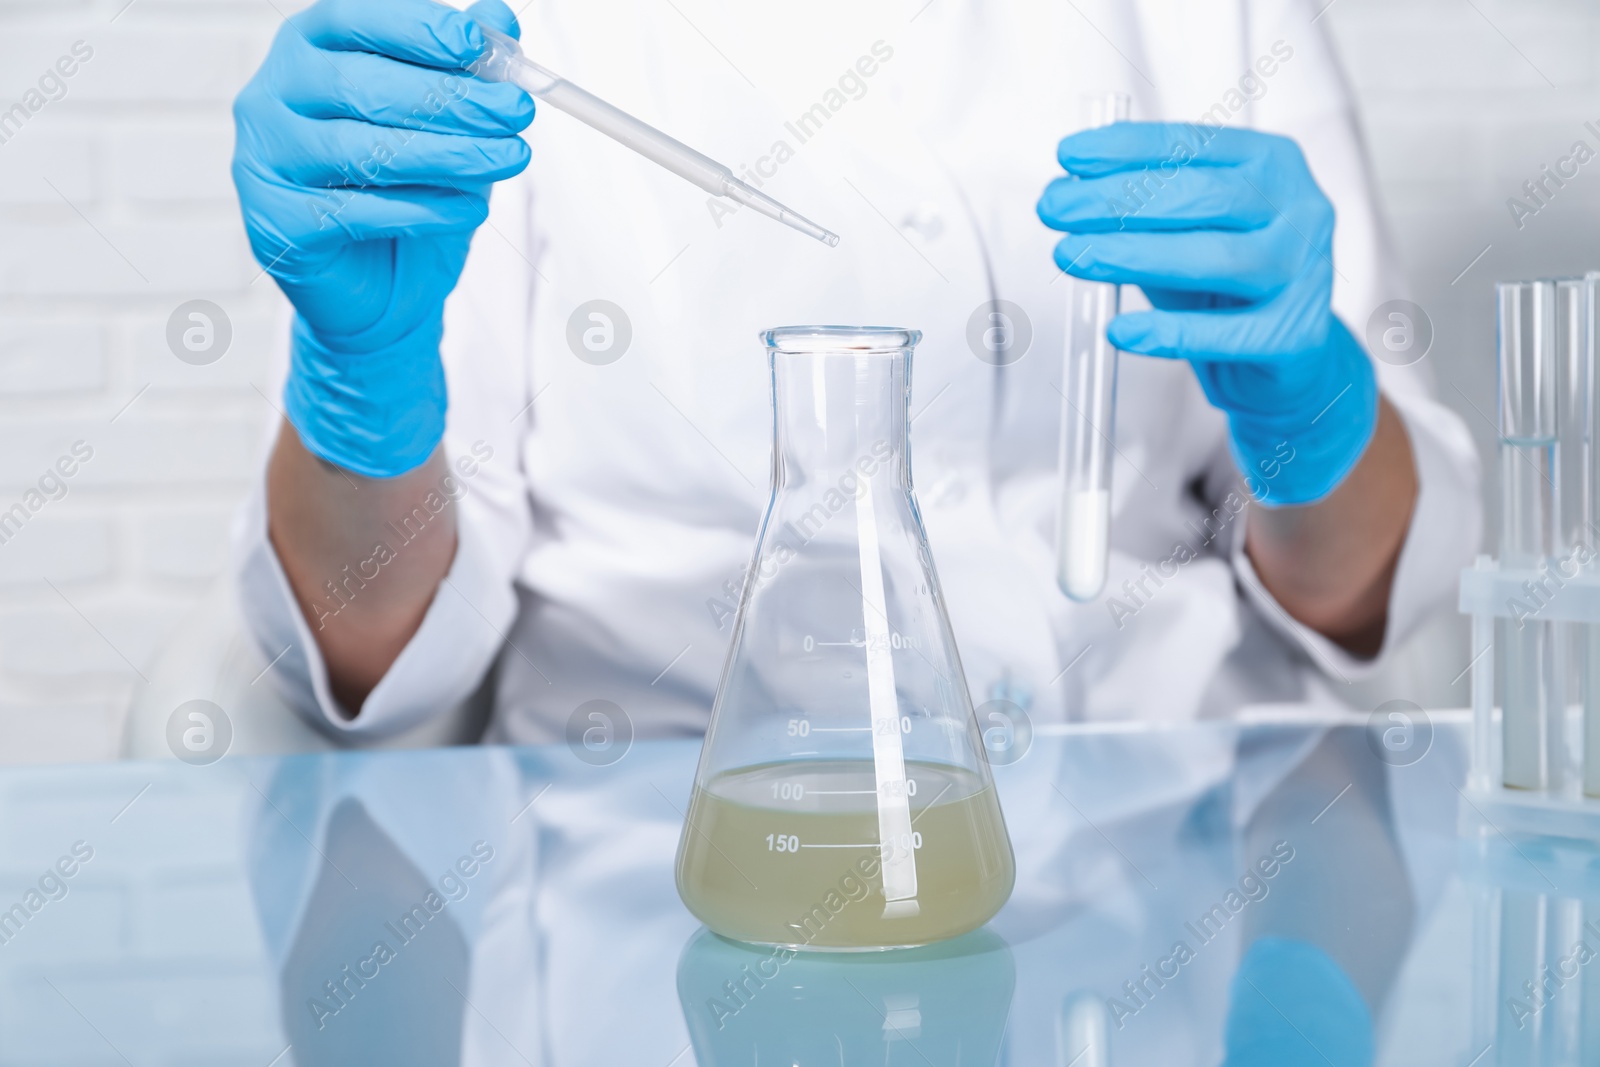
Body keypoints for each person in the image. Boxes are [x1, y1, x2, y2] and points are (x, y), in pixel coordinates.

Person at [230, 0, 1480, 744]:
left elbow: (1370, 590)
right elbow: (374, 647)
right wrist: (361, 381)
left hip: (1178, 829)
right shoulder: (479, 35)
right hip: (659, 858)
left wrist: (1308, 401)